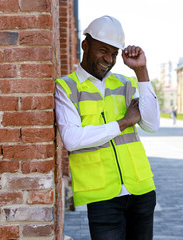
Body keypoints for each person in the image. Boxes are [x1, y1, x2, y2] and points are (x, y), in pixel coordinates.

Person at [54, 16, 160, 239]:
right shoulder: (67, 87)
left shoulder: (125, 83)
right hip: (102, 196)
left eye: (113, 53)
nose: (108, 59)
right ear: (85, 45)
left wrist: (141, 71)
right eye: (103, 50)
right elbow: (72, 139)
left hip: (141, 188)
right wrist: (123, 123)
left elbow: (151, 124)